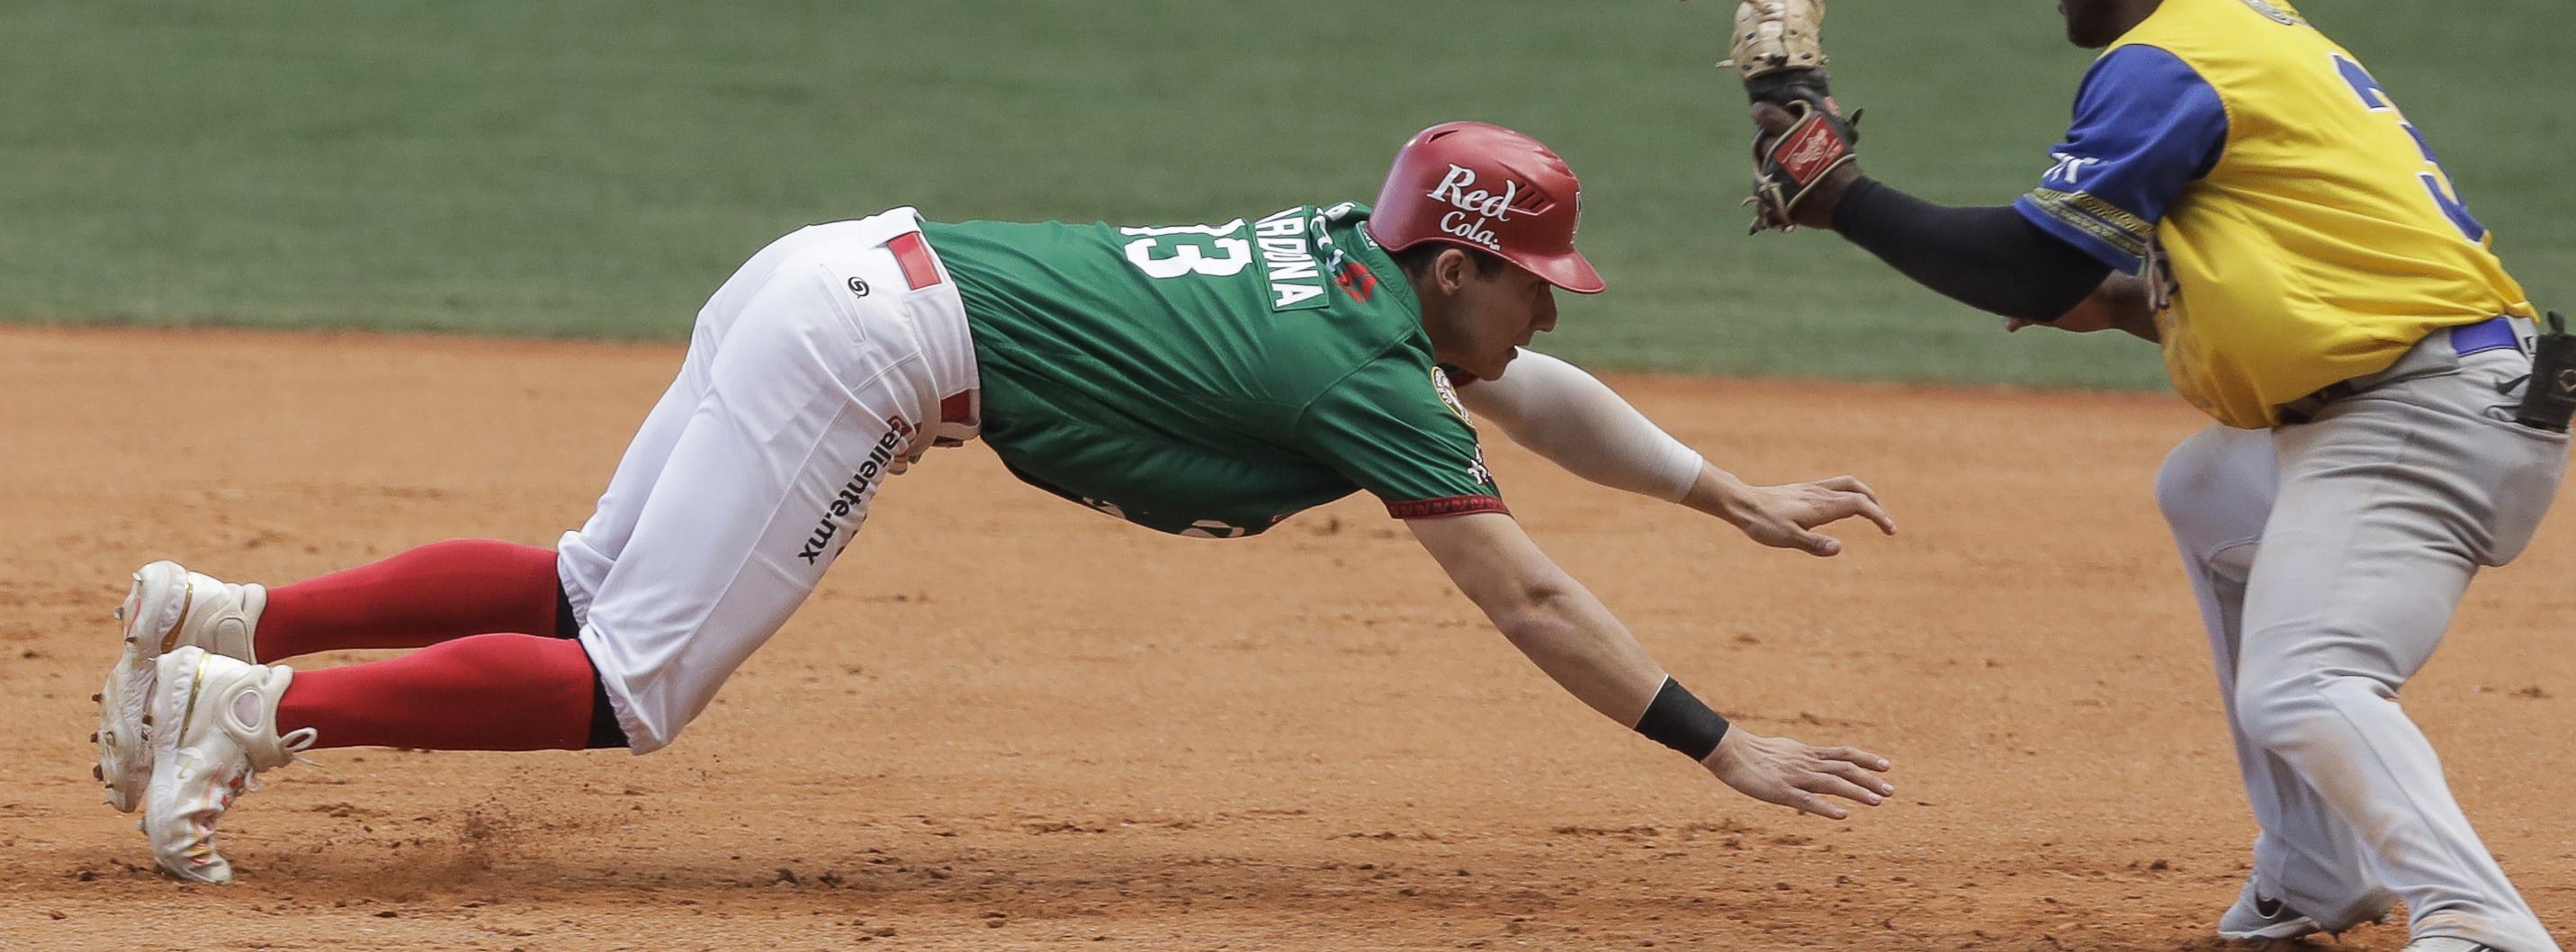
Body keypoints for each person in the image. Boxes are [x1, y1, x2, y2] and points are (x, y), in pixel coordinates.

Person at [94, 121, 1898, 884]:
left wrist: (1715, 488)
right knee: (628, 680)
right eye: (1534, 281)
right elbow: (1530, 598)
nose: (1547, 311)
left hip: (828, 269)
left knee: (583, 582)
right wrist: (1716, 739)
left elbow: (1519, 389)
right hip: (865, 351)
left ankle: (215, 618)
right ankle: (248, 710)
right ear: (1453, 264)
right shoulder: (1355, 369)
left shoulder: (1352, 258)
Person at [1744, 0, 2575, 952]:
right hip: (2445, 393)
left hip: (2422, 413)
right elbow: (2151, 288)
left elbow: (2032, 265)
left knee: (2303, 679)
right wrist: (2042, 281)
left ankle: (2476, 918)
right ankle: (2313, 868)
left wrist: (1844, 200)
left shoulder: (2169, 56)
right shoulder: (2243, 25)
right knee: (2209, 493)